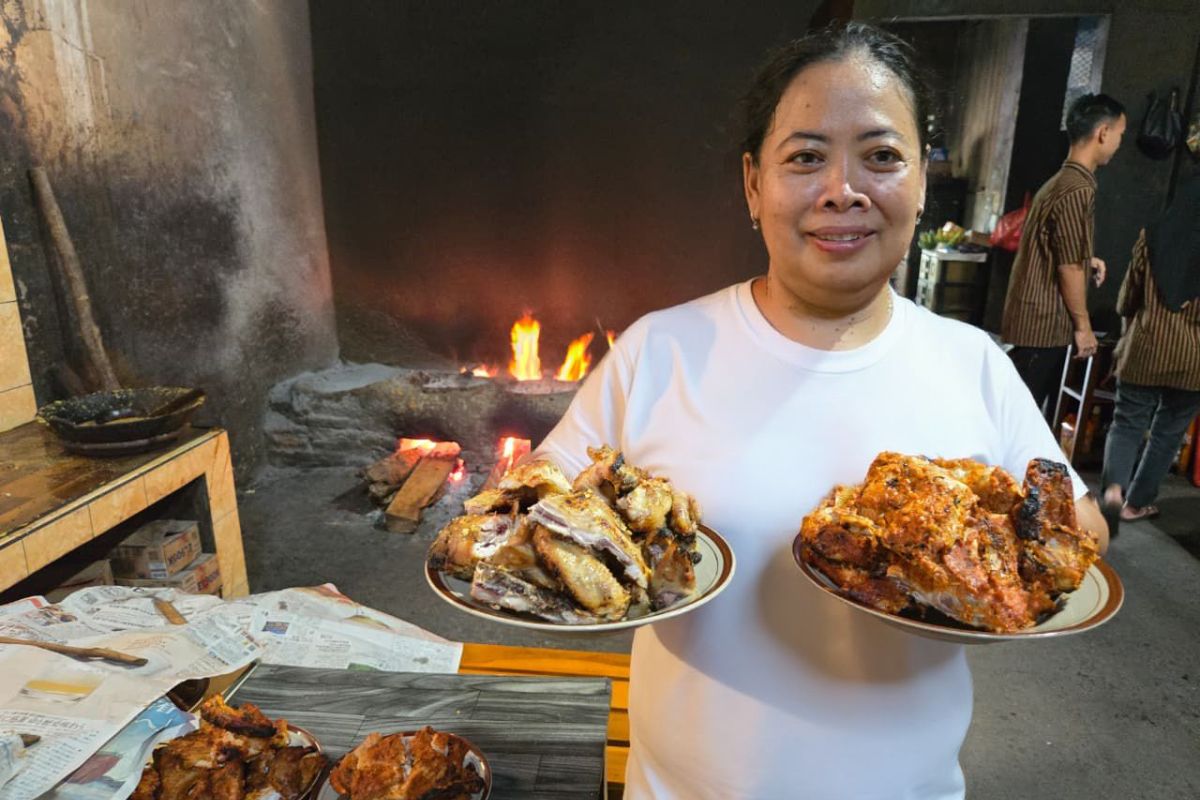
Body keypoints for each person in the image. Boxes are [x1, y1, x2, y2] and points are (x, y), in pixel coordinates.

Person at [533, 22, 1109, 799]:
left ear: (922, 182)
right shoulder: (661, 350)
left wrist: (984, 568)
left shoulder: (971, 362)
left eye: (882, 156)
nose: (844, 189)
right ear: (752, 185)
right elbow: (538, 497)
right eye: (806, 158)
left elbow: (1081, 529)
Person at [1001, 93, 1126, 419]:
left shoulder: (1062, 182)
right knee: (1018, 421)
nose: (1119, 143)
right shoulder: (1077, 188)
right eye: (1120, 134)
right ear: (1103, 133)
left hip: (1035, 322)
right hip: (1043, 327)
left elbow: (1062, 249)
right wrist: (1083, 327)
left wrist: (1087, 260)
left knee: (1018, 417)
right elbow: (1067, 266)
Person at [1101, 177, 1200, 524]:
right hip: (1194, 360)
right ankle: (1136, 503)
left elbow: (1130, 293)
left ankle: (1113, 494)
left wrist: (1127, 315)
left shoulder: (1153, 234)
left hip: (1146, 347)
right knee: (1168, 433)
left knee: (1127, 423)